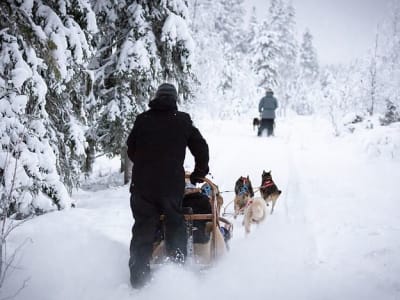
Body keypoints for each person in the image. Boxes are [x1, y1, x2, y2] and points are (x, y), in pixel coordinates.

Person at [126, 83, 209, 288]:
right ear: (175, 99)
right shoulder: (182, 120)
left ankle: (138, 280)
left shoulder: (142, 120)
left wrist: (147, 164)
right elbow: (201, 147)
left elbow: (131, 149)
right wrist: (199, 173)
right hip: (170, 185)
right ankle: (176, 276)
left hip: (142, 185)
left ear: (156, 97)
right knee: (175, 223)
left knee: (143, 228)